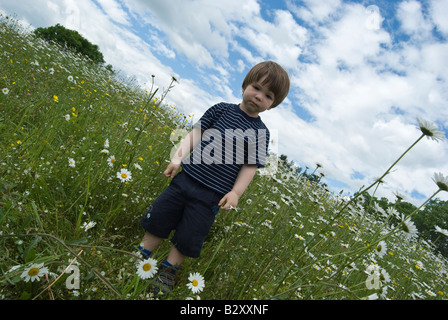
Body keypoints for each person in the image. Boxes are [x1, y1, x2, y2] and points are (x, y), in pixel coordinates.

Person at [137, 61, 290, 295]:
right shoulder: (220, 109)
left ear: (272, 105)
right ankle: (139, 256)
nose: (259, 97)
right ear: (244, 85)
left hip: (212, 196)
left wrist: (236, 192)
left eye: (268, 96)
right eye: (257, 88)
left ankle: (168, 271)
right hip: (186, 179)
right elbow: (194, 135)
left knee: (189, 236)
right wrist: (177, 159)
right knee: (159, 219)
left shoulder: (261, 133)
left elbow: (250, 167)